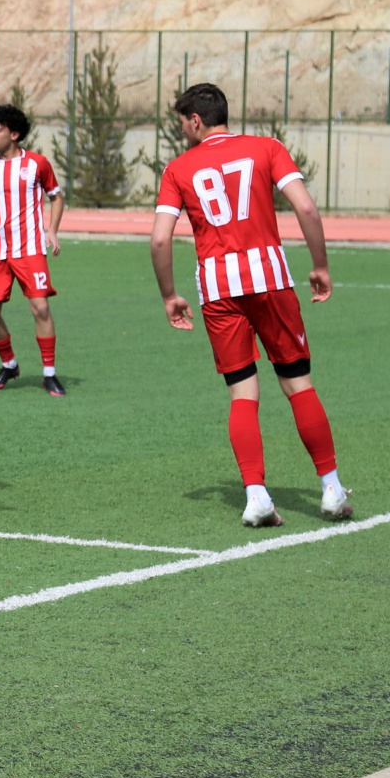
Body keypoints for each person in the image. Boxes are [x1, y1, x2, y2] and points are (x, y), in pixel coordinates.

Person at [150, 82, 352, 528]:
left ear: (196, 120)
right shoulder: (267, 147)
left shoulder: (178, 169)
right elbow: (307, 210)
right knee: (298, 384)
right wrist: (320, 265)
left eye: (182, 122)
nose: (182, 129)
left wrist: (170, 295)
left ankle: (257, 496)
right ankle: (332, 490)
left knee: (243, 394)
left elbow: (161, 237)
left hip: (218, 291)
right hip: (271, 280)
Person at [0, 103, 68, 395]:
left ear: (14, 134)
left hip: (29, 249)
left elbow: (57, 197)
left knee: (40, 308)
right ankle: (9, 364)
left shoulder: (38, 164)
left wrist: (52, 230)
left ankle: (49, 373)